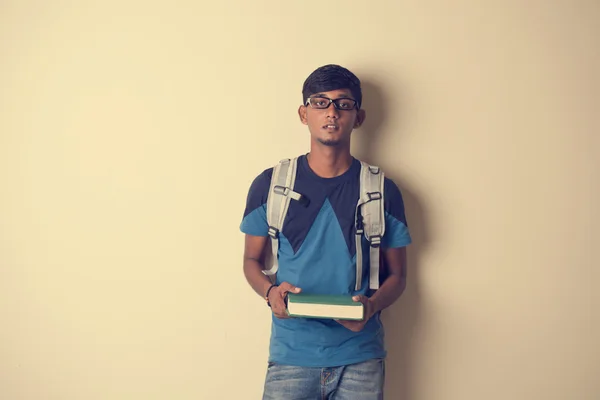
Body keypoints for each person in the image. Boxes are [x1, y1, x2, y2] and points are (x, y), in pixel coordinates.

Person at [240, 64, 412, 399]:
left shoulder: (382, 190)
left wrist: (372, 306)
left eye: (343, 104)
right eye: (320, 103)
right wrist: (270, 293)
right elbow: (250, 259)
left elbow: (399, 275)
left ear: (358, 117)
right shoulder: (271, 185)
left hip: (360, 359)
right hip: (291, 357)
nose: (331, 113)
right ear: (304, 114)